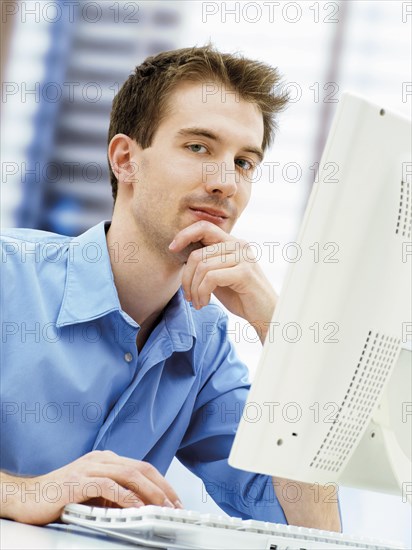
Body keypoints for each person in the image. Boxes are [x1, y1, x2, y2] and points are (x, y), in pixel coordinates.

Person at [0, 44, 341, 530]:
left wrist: (278, 328)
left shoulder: (205, 346)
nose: (226, 182)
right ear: (125, 160)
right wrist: (28, 492)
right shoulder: (10, 276)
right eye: (198, 147)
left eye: (244, 162)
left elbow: (312, 527)